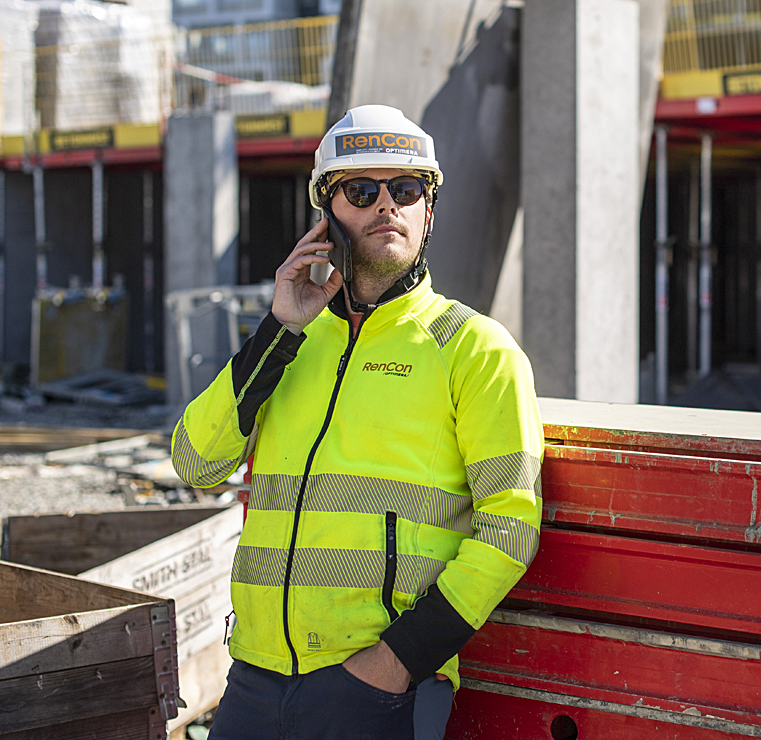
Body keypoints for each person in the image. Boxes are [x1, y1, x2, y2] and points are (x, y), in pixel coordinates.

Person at [172, 105, 543, 740]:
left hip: (378, 690)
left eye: (405, 190)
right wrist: (277, 330)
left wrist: (395, 664)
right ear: (327, 212)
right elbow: (195, 462)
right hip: (254, 682)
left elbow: (510, 528)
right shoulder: (291, 342)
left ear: (428, 210)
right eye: (361, 190)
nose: (385, 207)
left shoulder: (474, 349)